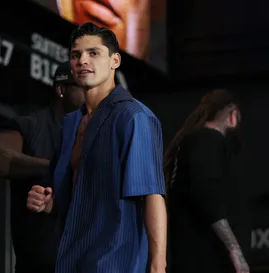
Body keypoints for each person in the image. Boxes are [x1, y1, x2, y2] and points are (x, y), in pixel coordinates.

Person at [27, 22, 167, 273]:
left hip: (116, 261)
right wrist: (49, 203)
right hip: (72, 260)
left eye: (93, 53)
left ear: (115, 60)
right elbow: (77, 194)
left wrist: (158, 265)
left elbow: (152, 196)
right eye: (75, 55)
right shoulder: (72, 123)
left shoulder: (134, 117)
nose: (82, 60)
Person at [0, 61, 84, 273]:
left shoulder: (95, 130)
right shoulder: (33, 125)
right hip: (40, 265)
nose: (89, 91)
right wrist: (55, 168)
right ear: (61, 89)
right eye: (81, 85)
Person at [164, 89, 250, 273]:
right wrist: (235, 251)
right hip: (205, 263)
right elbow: (207, 194)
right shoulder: (207, 140)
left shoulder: (195, 142)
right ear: (233, 116)